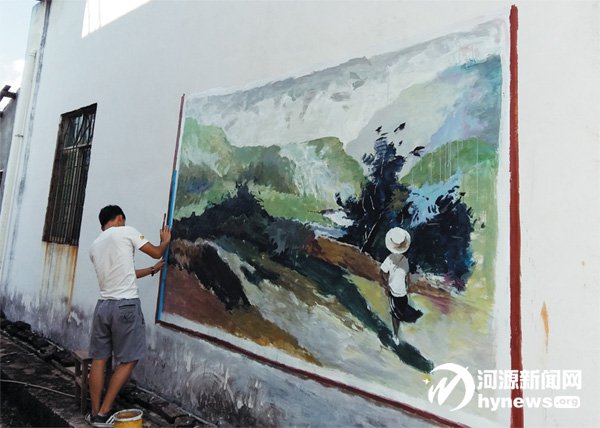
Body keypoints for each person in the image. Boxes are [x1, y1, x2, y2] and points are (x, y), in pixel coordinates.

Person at [86, 205, 170, 426]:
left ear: (103, 225)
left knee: (99, 360)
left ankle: (94, 413)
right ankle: (105, 411)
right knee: (129, 359)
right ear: (120, 218)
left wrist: (151, 270)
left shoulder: (95, 246)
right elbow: (156, 252)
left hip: (103, 306)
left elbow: (125, 274)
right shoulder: (126, 231)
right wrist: (165, 241)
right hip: (126, 307)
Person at [380, 227, 422, 345]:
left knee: (400, 313)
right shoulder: (394, 259)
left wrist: (407, 285)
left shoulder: (401, 259)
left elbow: (404, 275)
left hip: (401, 292)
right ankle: (395, 335)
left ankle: (396, 334)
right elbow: (382, 273)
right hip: (395, 291)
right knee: (395, 314)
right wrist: (386, 286)